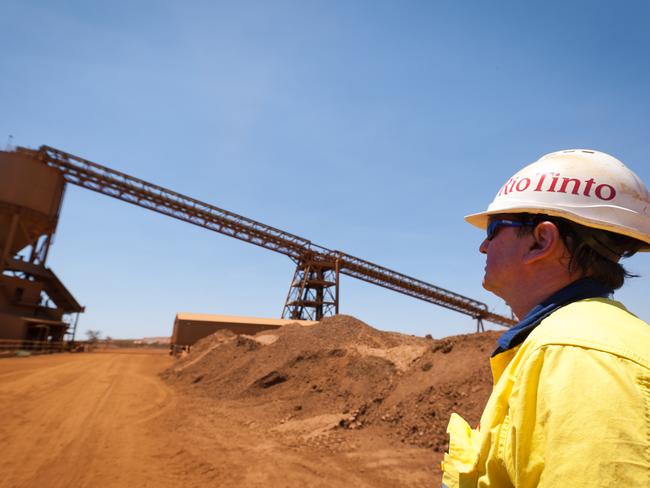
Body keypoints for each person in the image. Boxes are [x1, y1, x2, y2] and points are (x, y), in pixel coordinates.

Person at [441, 149, 650, 487]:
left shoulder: (581, 359)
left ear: (541, 241)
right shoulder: (569, 345)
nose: (482, 246)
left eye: (493, 229)